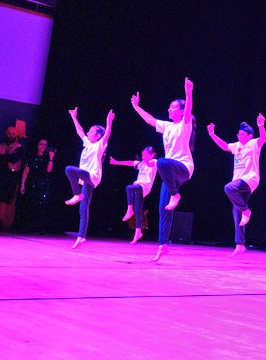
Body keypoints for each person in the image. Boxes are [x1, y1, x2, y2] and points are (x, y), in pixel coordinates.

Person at [130, 78, 196, 262]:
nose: (169, 109)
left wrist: (188, 92)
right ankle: (163, 246)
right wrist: (136, 106)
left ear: (181, 111)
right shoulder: (166, 126)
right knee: (163, 208)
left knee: (162, 162)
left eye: (173, 107)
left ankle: (175, 195)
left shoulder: (185, 124)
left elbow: (189, 108)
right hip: (168, 171)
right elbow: (150, 120)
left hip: (183, 168)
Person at [207, 115, 266, 257]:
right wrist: (212, 134)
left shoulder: (253, 144)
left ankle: (246, 211)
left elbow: (264, 139)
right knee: (236, 214)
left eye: (241, 134)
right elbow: (223, 145)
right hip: (239, 181)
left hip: (250, 179)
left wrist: (261, 125)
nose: (239, 136)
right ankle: (240, 245)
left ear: (249, 135)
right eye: (238, 134)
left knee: (228, 188)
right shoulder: (236, 146)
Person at [64, 108, 114, 249]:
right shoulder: (87, 143)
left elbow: (107, 135)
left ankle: (76, 194)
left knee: (69, 169)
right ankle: (81, 236)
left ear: (97, 135)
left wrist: (108, 122)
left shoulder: (99, 145)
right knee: (83, 207)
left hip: (92, 176)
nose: (87, 132)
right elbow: (79, 131)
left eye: (91, 131)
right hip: (86, 179)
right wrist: (74, 117)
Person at [109, 146, 158, 244]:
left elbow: (150, 163)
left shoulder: (154, 162)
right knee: (138, 211)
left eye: (145, 155)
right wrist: (117, 162)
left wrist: (146, 160)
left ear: (152, 155)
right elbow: (130, 162)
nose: (143, 156)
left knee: (129, 187)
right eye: (142, 155)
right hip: (139, 187)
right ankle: (138, 232)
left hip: (145, 187)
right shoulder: (142, 163)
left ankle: (129, 210)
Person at [0, 125, 25, 230]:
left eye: (13, 133)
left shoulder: (20, 148)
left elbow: (14, 159)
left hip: (12, 177)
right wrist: (6, 158)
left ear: (16, 135)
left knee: (8, 200)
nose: (11, 135)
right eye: (9, 133)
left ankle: (5, 224)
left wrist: (3, 158)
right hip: (0, 175)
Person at [20, 138, 55, 233]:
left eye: (45, 145)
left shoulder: (47, 157)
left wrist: (51, 159)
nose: (43, 146)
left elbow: (49, 170)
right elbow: (26, 170)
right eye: (41, 144)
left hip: (43, 183)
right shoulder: (31, 156)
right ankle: (28, 226)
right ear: (37, 145)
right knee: (30, 203)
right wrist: (22, 184)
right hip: (32, 182)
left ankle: (40, 227)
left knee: (41, 205)